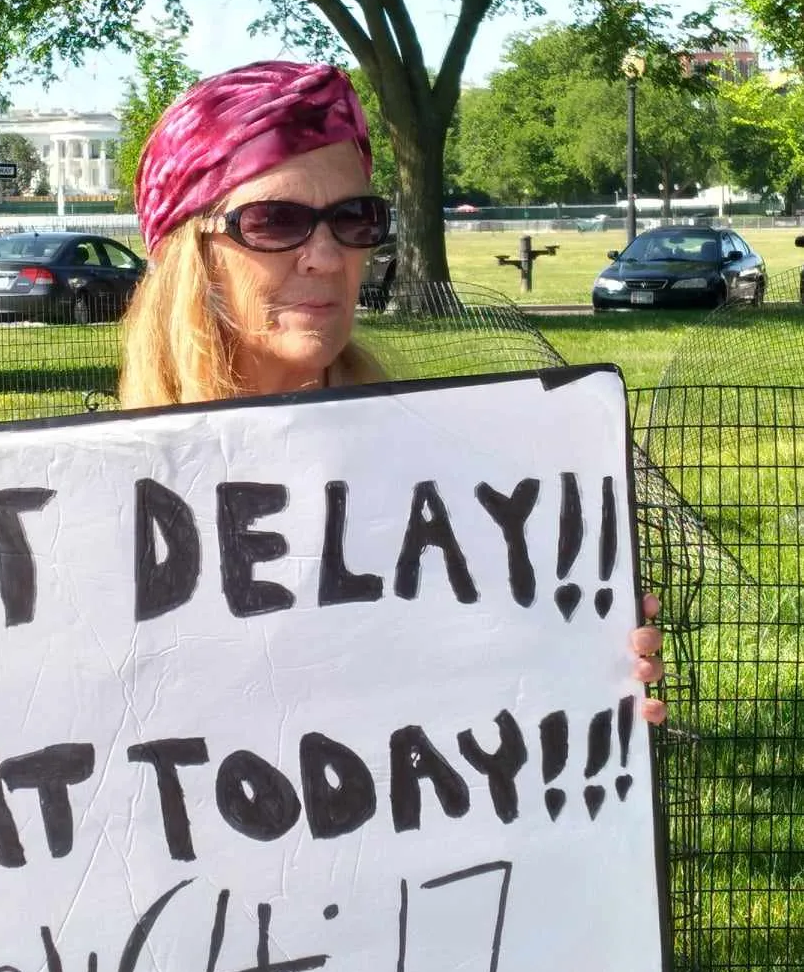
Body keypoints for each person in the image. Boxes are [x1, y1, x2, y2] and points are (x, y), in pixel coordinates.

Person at [121, 59, 665, 721]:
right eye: (272, 221)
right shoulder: (89, 516)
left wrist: (584, 661)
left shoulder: (456, 478)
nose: (325, 256)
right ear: (193, 255)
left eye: (354, 218)